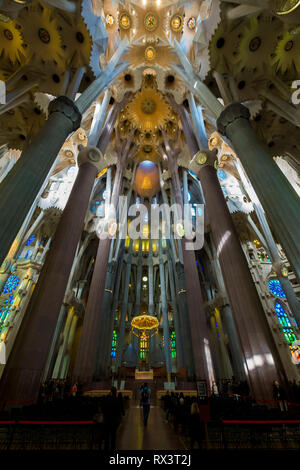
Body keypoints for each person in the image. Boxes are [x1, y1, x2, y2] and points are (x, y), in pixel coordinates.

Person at [103, 387, 122, 451]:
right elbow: (119, 411)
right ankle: (112, 448)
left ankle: (106, 448)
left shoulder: (106, 399)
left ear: (110, 392)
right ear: (116, 392)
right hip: (114, 420)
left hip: (106, 420)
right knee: (113, 436)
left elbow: (103, 409)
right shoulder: (117, 400)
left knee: (106, 437)